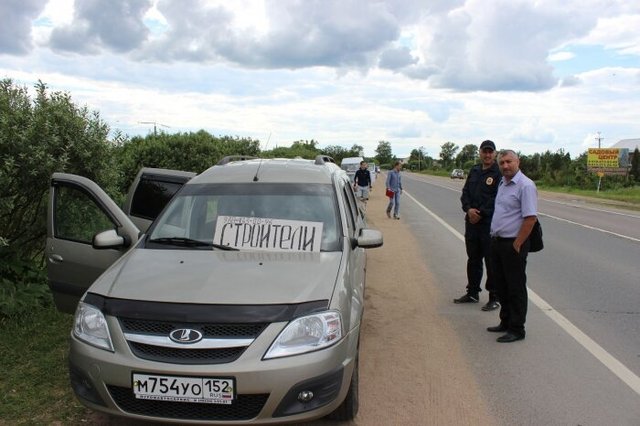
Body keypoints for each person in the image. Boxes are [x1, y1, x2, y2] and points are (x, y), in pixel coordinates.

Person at [487, 150, 538, 343]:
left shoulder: (525, 186)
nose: (505, 166)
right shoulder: (502, 183)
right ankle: (505, 322)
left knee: (515, 287)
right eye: (502, 163)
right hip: (497, 242)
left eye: (509, 162)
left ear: (518, 162)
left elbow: (530, 218)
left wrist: (517, 243)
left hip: (513, 244)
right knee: (501, 285)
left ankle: (517, 329)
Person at [454, 140, 501, 311]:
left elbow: (496, 199)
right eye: (484, 152)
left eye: (490, 152)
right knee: (473, 259)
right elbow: (465, 193)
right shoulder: (474, 170)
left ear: (495, 153)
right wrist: (468, 210)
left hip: (488, 224)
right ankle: (472, 293)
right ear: (480, 153)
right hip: (471, 224)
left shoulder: (498, 173)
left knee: (491, 261)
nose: (487, 155)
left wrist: (479, 213)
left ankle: (494, 297)